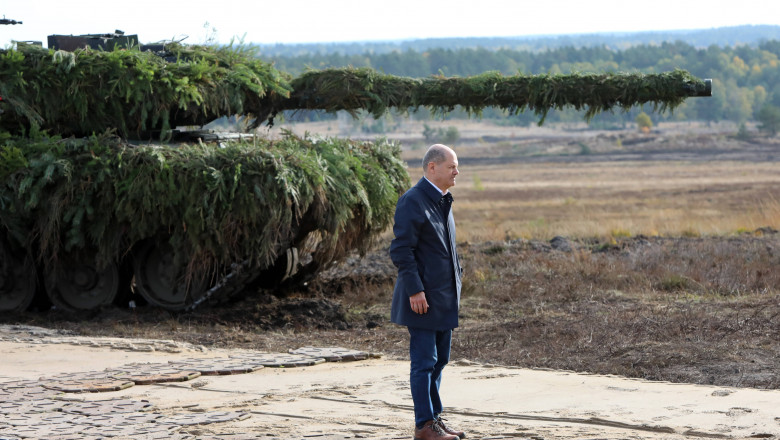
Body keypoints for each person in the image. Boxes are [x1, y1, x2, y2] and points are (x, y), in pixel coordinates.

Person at [389, 144, 465, 440]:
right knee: (425, 362)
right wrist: (415, 290)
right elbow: (401, 250)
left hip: (444, 298)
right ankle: (424, 426)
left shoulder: (443, 200)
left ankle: (435, 418)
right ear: (432, 167)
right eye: (452, 166)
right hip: (421, 299)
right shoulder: (414, 200)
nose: (456, 172)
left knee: (440, 361)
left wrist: (458, 277)